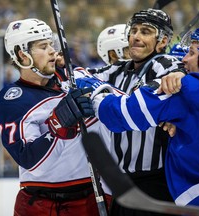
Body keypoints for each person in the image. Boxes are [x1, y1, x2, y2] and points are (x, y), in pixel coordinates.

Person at [90, 25, 199, 215]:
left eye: (191, 53)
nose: (183, 59)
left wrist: (95, 96)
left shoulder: (186, 89)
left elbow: (121, 115)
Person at [0, 18, 107, 216]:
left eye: (51, 44)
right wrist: (58, 123)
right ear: (22, 55)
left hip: (90, 197)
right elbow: (29, 159)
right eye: (43, 46)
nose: (53, 51)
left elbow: (117, 93)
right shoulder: (13, 99)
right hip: (40, 204)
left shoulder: (74, 77)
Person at [81, 8, 186, 216]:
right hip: (122, 183)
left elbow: (136, 108)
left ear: (163, 41)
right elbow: (79, 75)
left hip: (157, 183)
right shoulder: (119, 69)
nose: (136, 37)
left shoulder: (167, 66)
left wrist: (97, 96)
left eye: (146, 31)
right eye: (134, 30)